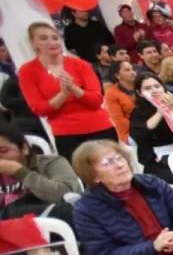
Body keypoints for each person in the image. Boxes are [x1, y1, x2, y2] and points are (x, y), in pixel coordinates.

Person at [18, 22, 118, 161]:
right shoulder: (27, 71)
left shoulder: (80, 64)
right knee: (85, 179)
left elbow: (96, 100)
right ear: (33, 43)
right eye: (43, 38)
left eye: (55, 37)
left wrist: (74, 89)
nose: (51, 42)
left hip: (100, 128)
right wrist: (63, 94)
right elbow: (39, 109)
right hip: (67, 135)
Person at [0, 122, 82, 222]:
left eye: (3, 151)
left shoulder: (50, 163)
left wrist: (20, 172)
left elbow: (67, 196)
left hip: (49, 226)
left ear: (24, 148)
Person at [129, 73, 173, 184]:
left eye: (157, 86)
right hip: (157, 158)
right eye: (148, 88)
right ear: (139, 93)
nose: (154, 90)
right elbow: (140, 135)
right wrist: (161, 112)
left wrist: (172, 110)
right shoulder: (138, 113)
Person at [103, 59, 137, 145]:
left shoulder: (142, 86)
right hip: (130, 132)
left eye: (132, 69)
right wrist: (142, 125)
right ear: (117, 75)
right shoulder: (111, 93)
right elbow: (120, 123)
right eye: (127, 70)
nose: (133, 72)